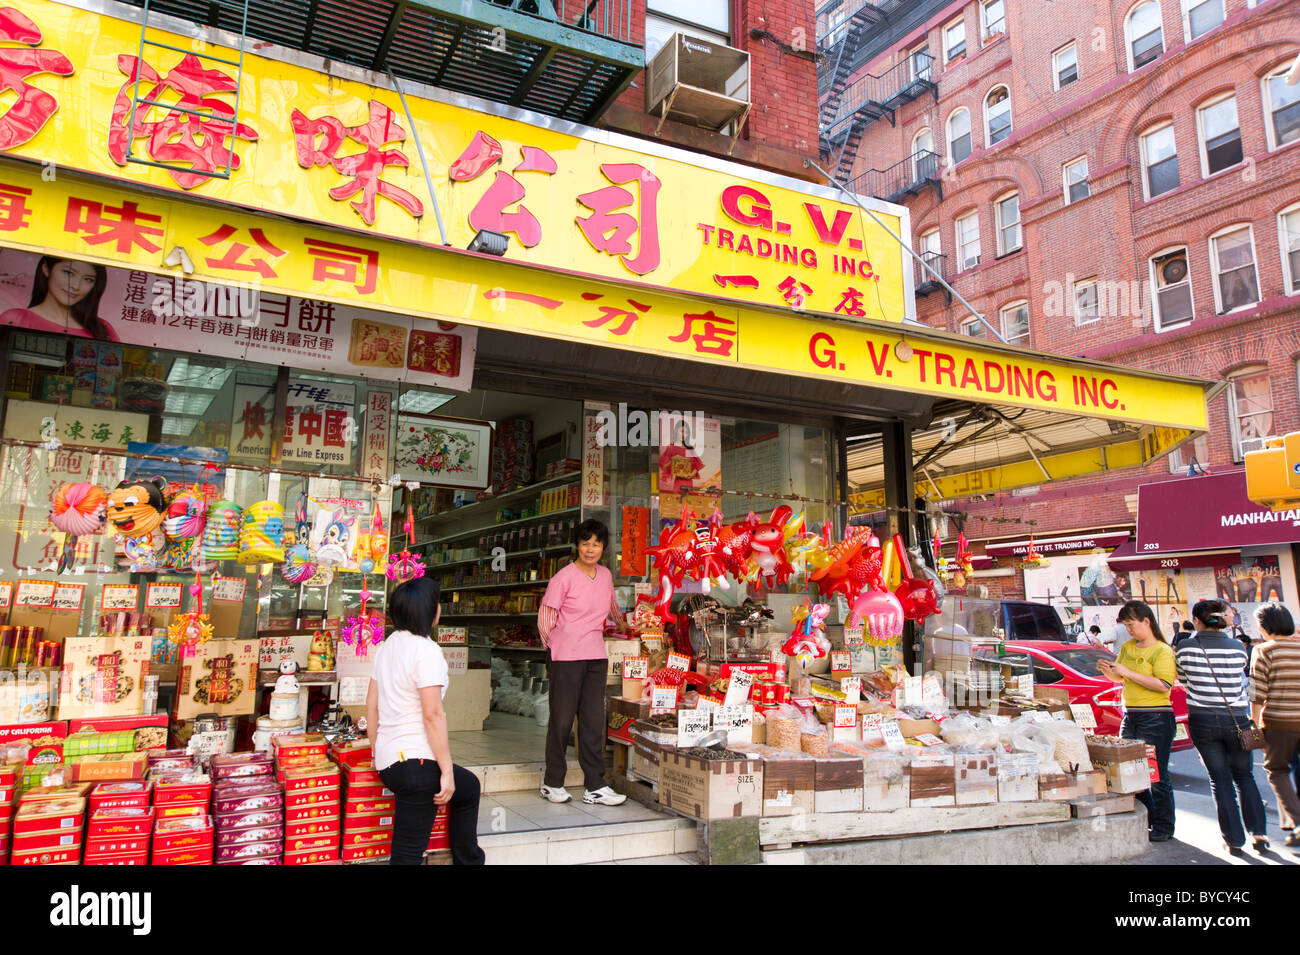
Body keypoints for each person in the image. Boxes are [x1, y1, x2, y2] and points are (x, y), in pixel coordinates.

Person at [365, 576, 485, 865]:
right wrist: (445, 770)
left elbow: (371, 706)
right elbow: (433, 715)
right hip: (415, 765)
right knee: (407, 853)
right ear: (430, 611)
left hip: (389, 761)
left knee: (468, 787)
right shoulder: (427, 651)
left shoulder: (388, 644)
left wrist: (375, 750)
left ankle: (468, 859)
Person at [537, 519, 629, 806]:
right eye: (585, 543)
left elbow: (611, 606)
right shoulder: (563, 577)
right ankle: (552, 782)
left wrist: (625, 625)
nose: (590, 549)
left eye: (596, 544)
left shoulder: (605, 576)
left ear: (603, 547)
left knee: (592, 721)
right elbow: (545, 618)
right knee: (562, 721)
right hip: (565, 657)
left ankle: (594, 785)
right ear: (577, 545)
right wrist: (553, 650)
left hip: (596, 657)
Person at [1174, 599, 1269, 854]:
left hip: (1203, 720)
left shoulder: (1184, 647)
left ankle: (1234, 839)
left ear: (1196, 621)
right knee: (1245, 775)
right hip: (1237, 718)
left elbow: (1184, 681)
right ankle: (1259, 833)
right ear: (1223, 619)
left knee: (1219, 779)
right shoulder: (1238, 647)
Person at [1100, 600, 1177, 842]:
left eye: (1131, 625)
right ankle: (1148, 818)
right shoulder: (1129, 647)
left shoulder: (1162, 650)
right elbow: (1119, 678)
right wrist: (1107, 670)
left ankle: (1164, 825)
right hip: (1130, 714)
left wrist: (1126, 672)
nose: (1129, 631)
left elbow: (1163, 684)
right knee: (1131, 771)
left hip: (1156, 717)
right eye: (1126, 626)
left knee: (1156, 773)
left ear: (1147, 621)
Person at [1250, 603, 1300, 848]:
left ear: (1264, 626)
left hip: (1280, 722)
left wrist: (1256, 727)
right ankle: (1293, 826)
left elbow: (1257, 694)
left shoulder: (1263, 650)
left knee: (1276, 769)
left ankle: (1298, 823)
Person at [0, 256, 117, 341]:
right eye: (68, 272)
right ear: (46, 268)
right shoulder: (16, 319)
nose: (75, 286)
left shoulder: (103, 329)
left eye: (88, 279)